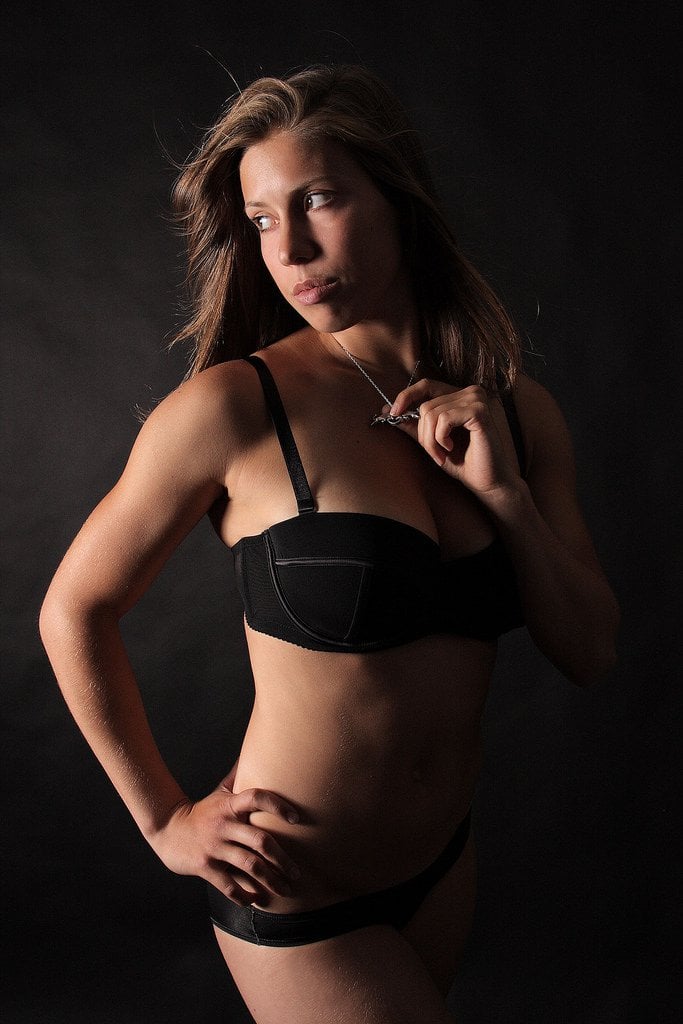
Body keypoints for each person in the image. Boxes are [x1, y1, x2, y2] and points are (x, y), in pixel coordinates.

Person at [40, 65, 619, 1023]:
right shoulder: (234, 408)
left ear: (398, 197)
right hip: (293, 885)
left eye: (317, 199)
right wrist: (164, 819)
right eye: (262, 219)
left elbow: (590, 651)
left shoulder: (518, 415)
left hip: (441, 869)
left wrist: (504, 498)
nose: (290, 247)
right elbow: (74, 608)